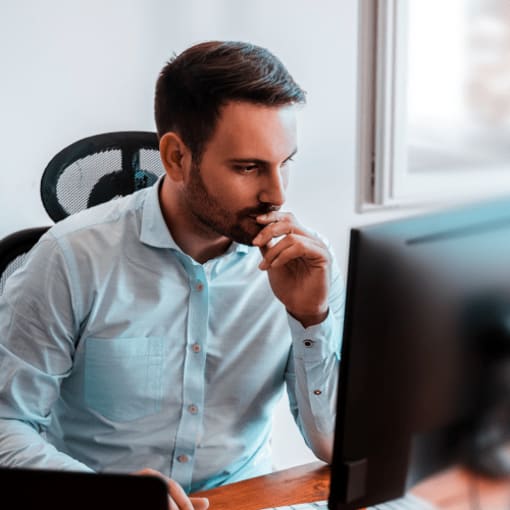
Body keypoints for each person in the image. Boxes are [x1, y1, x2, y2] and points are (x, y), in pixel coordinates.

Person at [0, 40, 344, 509]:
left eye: (286, 163)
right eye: (248, 168)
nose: (276, 194)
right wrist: (116, 497)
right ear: (177, 157)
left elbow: (331, 446)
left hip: (243, 500)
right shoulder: (70, 259)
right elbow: (7, 425)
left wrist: (311, 318)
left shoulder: (305, 263)